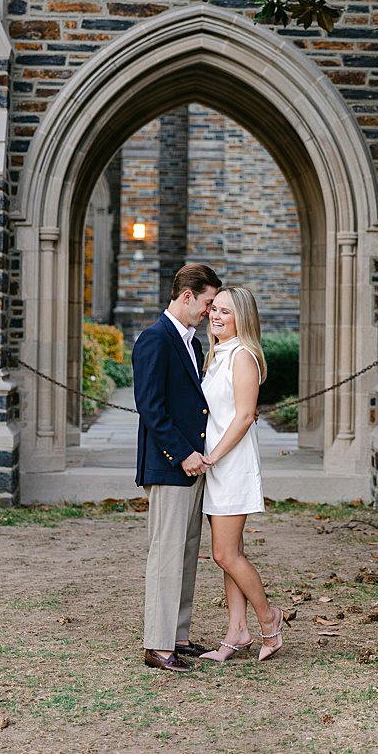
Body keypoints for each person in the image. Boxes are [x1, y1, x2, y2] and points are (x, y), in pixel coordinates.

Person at [133, 262, 222, 673]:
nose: (209, 311)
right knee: (166, 554)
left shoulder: (193, 343)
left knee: (187, 553)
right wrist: (181, 453)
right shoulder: (154, 339)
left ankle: (177, 635)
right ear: (187, 296)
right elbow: (151, 408)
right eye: (206, 303)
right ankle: (156, 644)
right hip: (171, 465)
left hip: (195, 463)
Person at [197, 286, 289, 663]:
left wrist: (213, 457)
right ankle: (237, 631)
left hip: (231, 465)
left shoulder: (242, 356)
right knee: (229, 553)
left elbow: (245, 416)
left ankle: (270, 620)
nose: (217, 316)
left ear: (243, 319)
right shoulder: (216, 354)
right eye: (214, 309)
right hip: (216, 464)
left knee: (224, 554)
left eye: (226, 312)